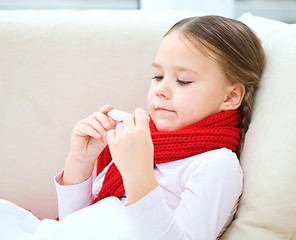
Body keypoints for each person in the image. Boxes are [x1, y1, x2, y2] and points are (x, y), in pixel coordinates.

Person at [0, 15, 265, 240]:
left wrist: (138, 171)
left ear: (230, 97)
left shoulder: (216, 164)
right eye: (158, 76)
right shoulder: (142, 140)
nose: (161, 89)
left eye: (183, 81)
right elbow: (73, 224)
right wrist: (80, 163)